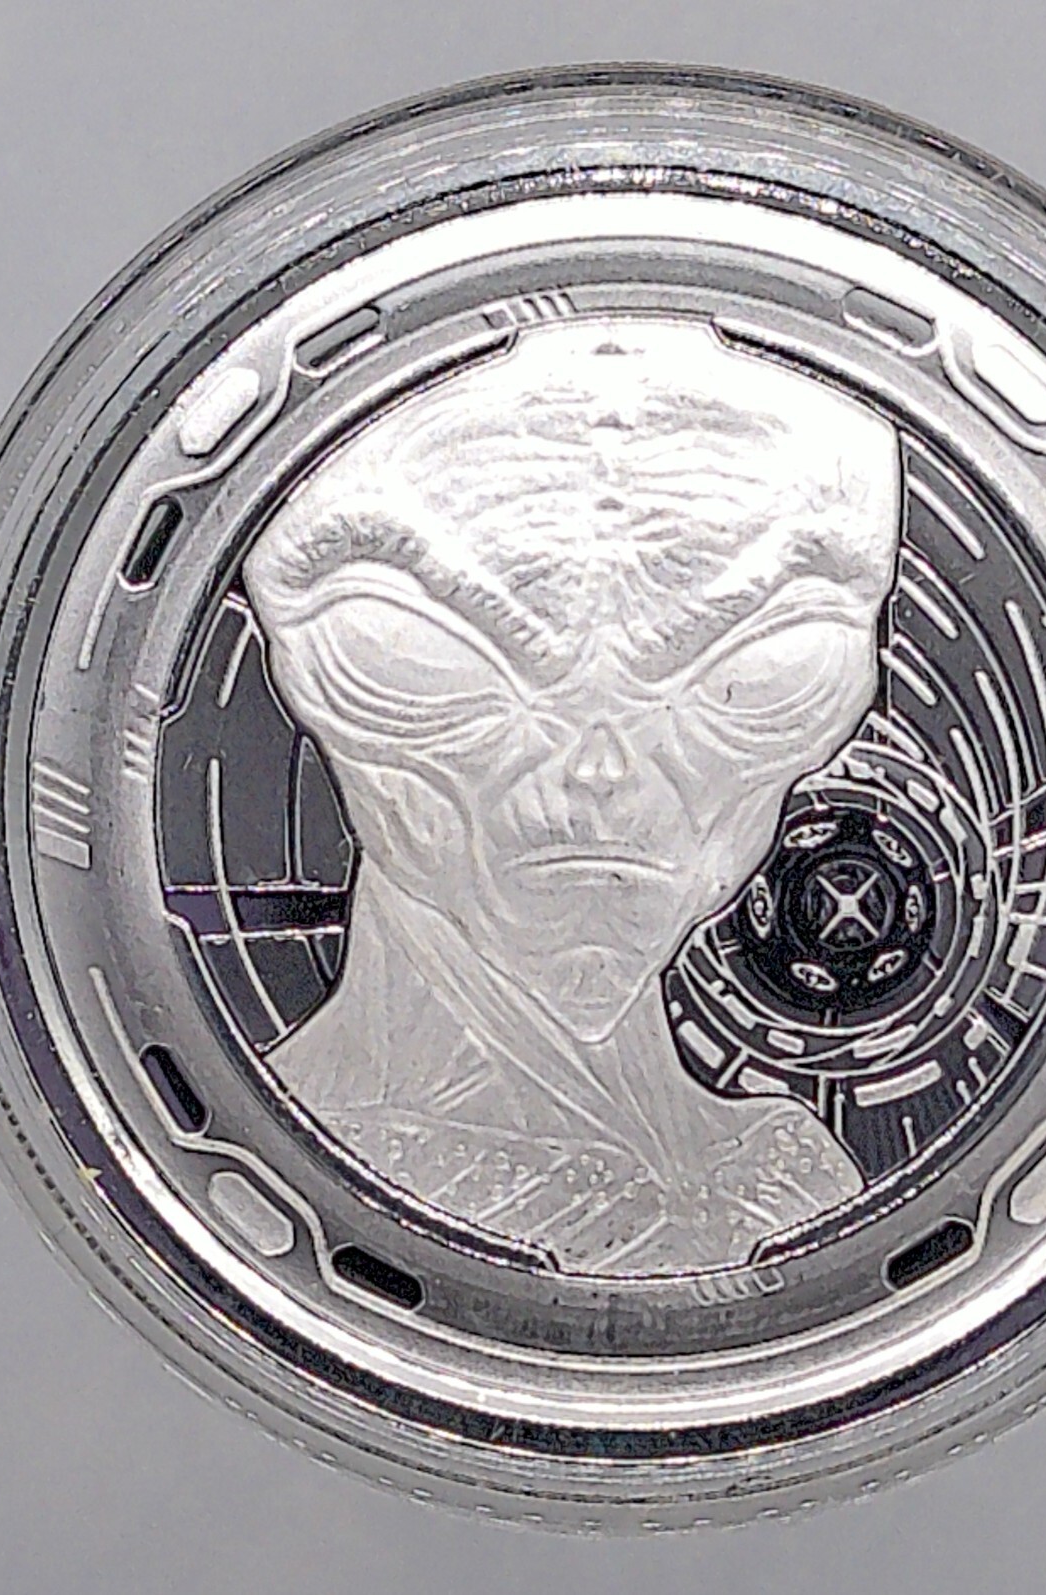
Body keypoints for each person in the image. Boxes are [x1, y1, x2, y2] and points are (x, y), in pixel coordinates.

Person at [244, 318, 900, 1275]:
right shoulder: (293, 1168)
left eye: (769, 671)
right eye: (416, 660)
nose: (601, 767)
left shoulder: (784, 1173)